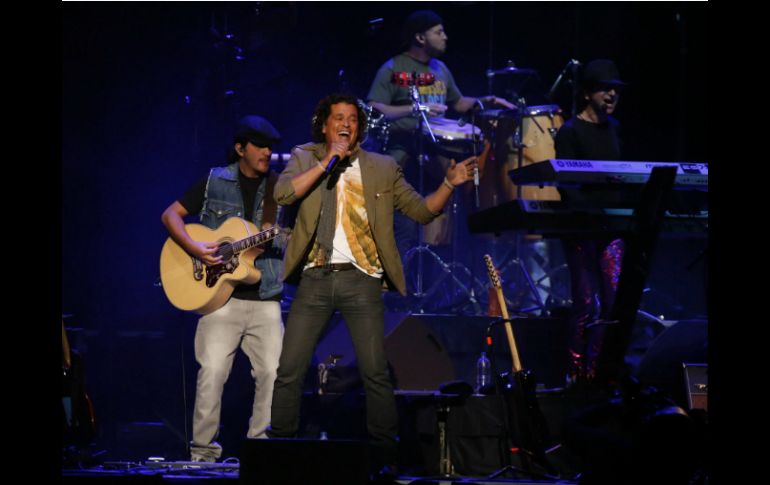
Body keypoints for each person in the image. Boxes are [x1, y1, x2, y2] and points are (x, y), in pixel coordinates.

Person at [266, 93, 477, 474]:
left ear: (359, 127)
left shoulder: (382, 166)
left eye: (352, 118)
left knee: (375, 370)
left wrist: (448, 184)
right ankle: (281, 449)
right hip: (314, 277)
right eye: (338, 118)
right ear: (325, 125)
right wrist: (327, 161)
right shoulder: (304, 156)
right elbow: (283, 194)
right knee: (290, 367)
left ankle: (384, 458)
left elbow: (421, 210)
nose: (346, 124)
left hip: (362, 280)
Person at [161, 115, 287, 462]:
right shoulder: (215, 181)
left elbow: (287, 238)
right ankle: (203, 455)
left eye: (270, 146)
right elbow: (170, 215)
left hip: (265, 296)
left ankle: (261, 452)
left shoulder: (281, 188)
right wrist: (194, 247)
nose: (267, 152)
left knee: (274, 374)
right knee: (213, 372)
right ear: (239, 148)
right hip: (218, 297)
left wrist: (291, 242)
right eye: (259, 145)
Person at [367, 9, 513, 256]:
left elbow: (458, 103)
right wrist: (416, 108)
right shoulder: (393, 67)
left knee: (464, 192)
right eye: (438, 32)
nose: (445, 37)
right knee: (403, 219)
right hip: (404, 150)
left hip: (437, 150)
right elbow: (374, 107)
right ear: (420, 38)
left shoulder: (441, 69)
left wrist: (486, 101)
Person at [554, 59, 627, 388]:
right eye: (605, 89)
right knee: (587, 301)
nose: (612, 94)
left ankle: (602, 371)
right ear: (587, 93)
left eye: (615, 89)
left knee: (613, 301)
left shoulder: (614, 129)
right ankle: (577, 373)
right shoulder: (570, 132)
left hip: (611, 228)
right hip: (582, 228)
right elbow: (567, 185)